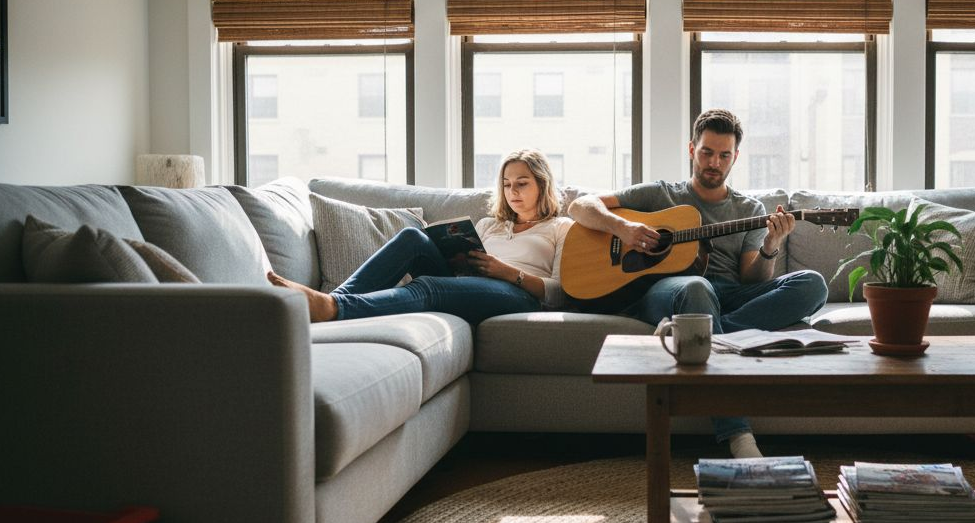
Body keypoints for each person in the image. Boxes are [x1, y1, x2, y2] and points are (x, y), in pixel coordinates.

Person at [567, 109, 828, 458]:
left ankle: (698, 333)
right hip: (671, 290)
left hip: (730, 294)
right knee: (695, 287)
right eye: (707, 152)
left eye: (724, 155)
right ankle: (737, 434)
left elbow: (752, 276)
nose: (714, 163)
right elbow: (580, 206)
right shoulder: (661, 195)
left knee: (813, 284)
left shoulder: (749, 208)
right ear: (692, 149)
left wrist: (769, 247)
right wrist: (622, 227)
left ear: (735, 157)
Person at [268, 149, 572, 324]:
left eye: (522, 183)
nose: (512, 192)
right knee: (412, 238)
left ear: (542, 185)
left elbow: (560, 293)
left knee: (427, 286)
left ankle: (334, 309)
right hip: (469, 285)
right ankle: (333, 300)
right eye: (506, 184)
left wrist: (506, 272)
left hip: (518, 297)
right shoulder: (490, 224)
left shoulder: (561, 228)